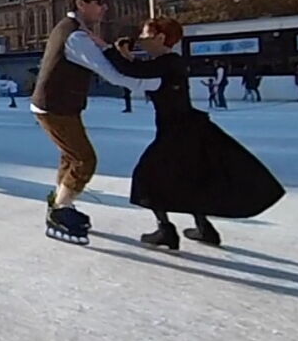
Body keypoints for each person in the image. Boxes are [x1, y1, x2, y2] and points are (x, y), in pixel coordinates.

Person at [104, 17, 285, 249]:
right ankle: (203, 227)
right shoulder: (168, 62)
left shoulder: (168, 62)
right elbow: (140, 71)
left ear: (160, 38)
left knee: (147, 177)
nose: (140, 39)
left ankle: (166, 230)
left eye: (145, 35)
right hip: (187, 128)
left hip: (177, 131)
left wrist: (112, 52)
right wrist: (124, 56)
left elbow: (133, 70)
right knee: (189, 177)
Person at [31, 0, 160, 245]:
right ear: (81, 4)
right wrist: (156, 83)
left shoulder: (75, 30)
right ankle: (60, 210)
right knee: (84, 160)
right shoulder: (76, 37)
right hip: (54, 107)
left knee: (71, 156)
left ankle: (61, 204)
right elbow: (111, 74)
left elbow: (105, 56)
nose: (105, 7)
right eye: (99, 2)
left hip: (60, 105)